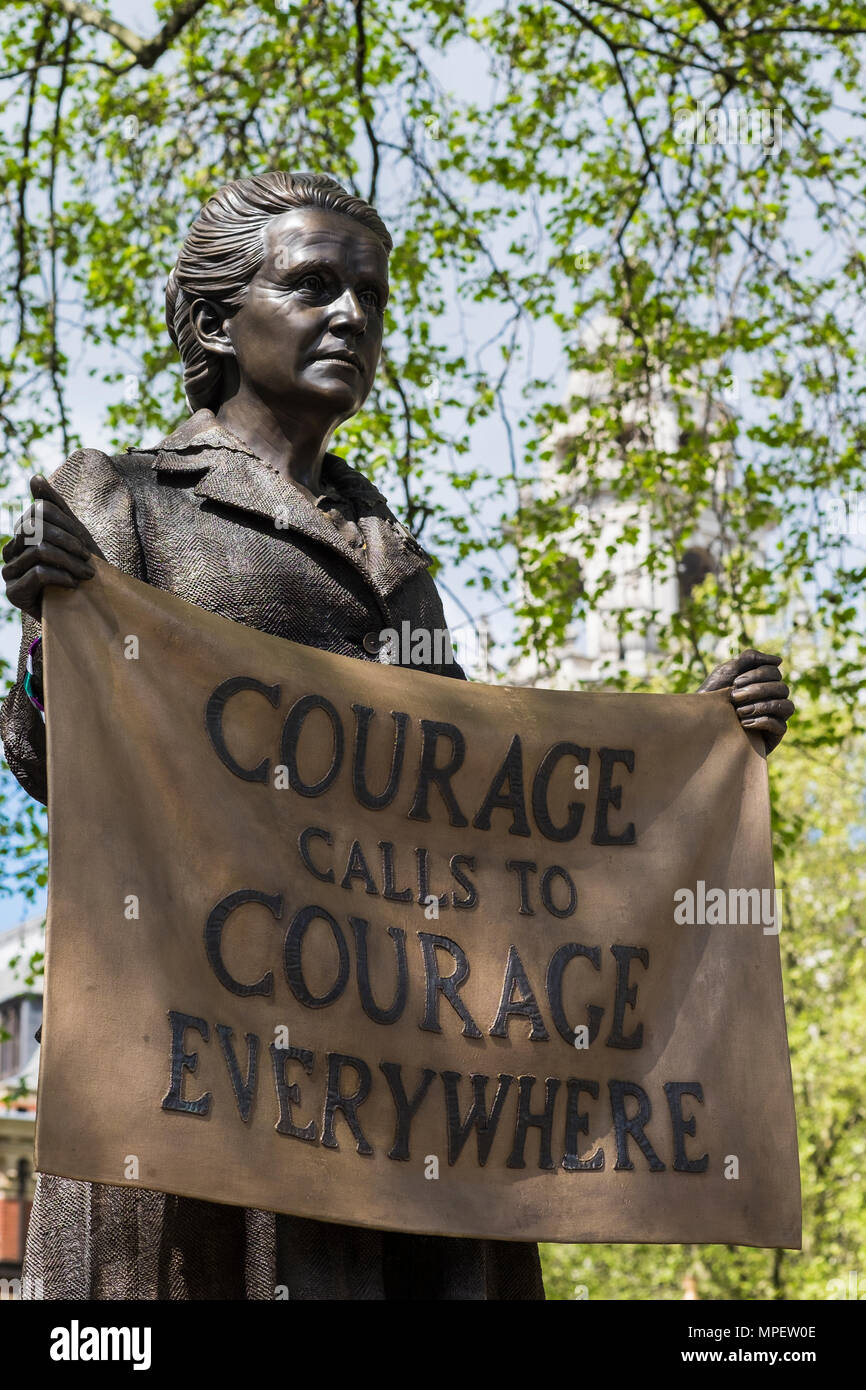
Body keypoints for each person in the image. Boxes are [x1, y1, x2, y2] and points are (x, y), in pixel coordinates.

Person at [0, 171, 794, 1300]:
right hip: (205, 1101)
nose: (353, 317)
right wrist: (51, 633)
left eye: (371, 294)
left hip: (393, 1102)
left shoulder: (396, 566)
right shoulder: (124, 500)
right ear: (218, 321)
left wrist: (693, 759)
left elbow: (483, 827)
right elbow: (48, 766)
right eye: (313, 285)